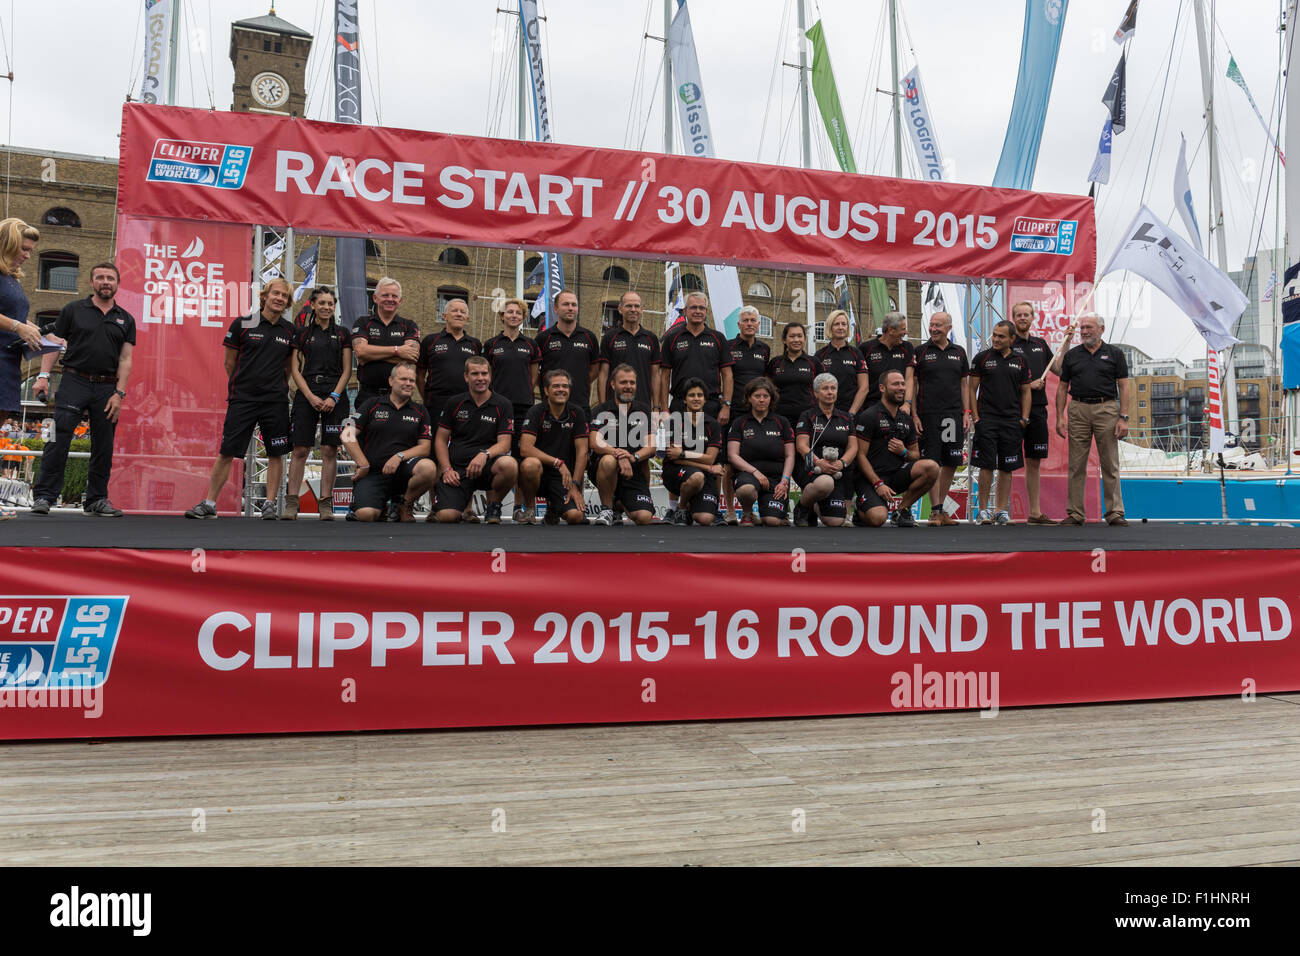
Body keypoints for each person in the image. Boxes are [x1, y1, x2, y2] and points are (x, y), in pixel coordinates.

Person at [185, 278, 298, 520]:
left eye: (284, 296)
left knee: (276, 453)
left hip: (275, 401)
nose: (279, 299)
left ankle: (268, 505)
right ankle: (209, 503)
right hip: (243, 399)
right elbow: (229, 363)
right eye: (275, 294)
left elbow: (289, 369)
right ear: (264, 296)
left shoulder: (290, 331)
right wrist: (246, 385)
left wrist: (275, 387)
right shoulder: (243, 323)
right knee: (227, 451)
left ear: (288, 302)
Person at [30, 262, 135, 517]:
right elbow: (53, 344)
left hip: (107, 387)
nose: (105, 282)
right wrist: (43, 376)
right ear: (92, 283)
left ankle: (97, 499)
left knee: (104, 445)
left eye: (110, 278)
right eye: (100, 277)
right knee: (57, 438)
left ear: (117, 284)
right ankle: (44, 496)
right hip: (73, 381)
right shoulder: (73, 310)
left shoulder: (126, 319)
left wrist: (119, 394)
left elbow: (125, 360)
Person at [1055, 313, 1130, 526]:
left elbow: (1124, 385)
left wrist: (1123, 417)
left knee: (1109, 463)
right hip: (1078, 409)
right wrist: (1060, 416)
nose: (1085, 331)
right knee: (1076, 464)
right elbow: (1061, 387)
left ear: (1101, 330)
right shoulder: (1072, 356)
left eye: (1089, 327)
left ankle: (1115, 512)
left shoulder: (1115, 353)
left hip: (1106, 408)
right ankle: (1075, 513)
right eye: (1082, 328)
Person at [285, 286, 351, 520]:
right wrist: (310, 396)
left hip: (335, 392)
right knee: (300, 448)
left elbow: (347, 370)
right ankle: (291, 503)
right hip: (308, 391)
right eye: (321, 303)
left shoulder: (343, 333)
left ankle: (325, 503)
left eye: (330, 303)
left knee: (329, 449)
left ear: (334, 307)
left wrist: (334, 396)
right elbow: (294, 369)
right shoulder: (301, 334)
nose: (326, 307)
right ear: (313, 305)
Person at [344, 362, 437, 522]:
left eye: (412, 380)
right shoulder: (372, 404)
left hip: (404, 474)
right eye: (403, 379)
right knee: (366, 515)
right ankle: (380, 507)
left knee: (428, 468)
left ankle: (403, 504)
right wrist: (363, 463)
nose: (408, 383)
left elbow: (425, 448)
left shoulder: (420, 411)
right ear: (391, 381)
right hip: (374, 473)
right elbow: (346, 434)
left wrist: (399, 456)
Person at [431, 356, 518, 524]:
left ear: (490, 376)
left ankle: (494, 505)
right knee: (447, 517)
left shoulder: (503, 404)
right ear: (466, 377)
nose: (480, 378)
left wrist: (484, 454)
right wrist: (447, 469)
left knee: (510, 465)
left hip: (487, 468)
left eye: (484, 373)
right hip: (458, 471)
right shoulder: (453, 403)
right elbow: (441, 440)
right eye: (475, 374)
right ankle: (450, 506)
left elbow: (505, 443)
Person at [1010, 300, 1073, 524]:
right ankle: (1000, 511)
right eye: (1019, 315)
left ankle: (1035, 512)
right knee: (1006, 462)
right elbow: (1000, 380)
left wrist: (1066, 343)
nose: (1023, 318)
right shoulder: (1007, 345)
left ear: (1033, 317)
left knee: (1034, 460)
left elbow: (1059, 369)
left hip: (1037, 409)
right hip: (1012, 411)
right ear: (1013, 318)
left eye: (1027, 314)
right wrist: (1027, 386)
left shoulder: (1040, 344)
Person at [854, 369, 939, 527]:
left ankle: (901, 510)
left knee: (932, 467)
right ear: (882, 388)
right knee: (878, 518)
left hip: (896, 476)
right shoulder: (869, 415)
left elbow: (915, 455)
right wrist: (878, 483)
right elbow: (860, 455)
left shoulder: (906, 419)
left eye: (902, 384)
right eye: (895, 384)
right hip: (870, 478)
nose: (901, 387)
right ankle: (859, 509)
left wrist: (904, 452)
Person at [909, 310, 970, 527]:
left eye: (938, 325)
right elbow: (913, 386)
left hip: (953, 415)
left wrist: (966, 412)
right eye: (932, 325)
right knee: (931, 463)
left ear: (949, 328)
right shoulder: (921, 351)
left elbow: (964, 385)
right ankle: (935, 511)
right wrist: (914, 414)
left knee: (952, 461)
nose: (933, 329)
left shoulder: (960, 352)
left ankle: (941, 508)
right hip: (928, 415)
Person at [484, 297, 540, 523]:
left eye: (518, 312)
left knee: (520, 458)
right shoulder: (491, 344)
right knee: (495, 458)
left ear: (523, 317)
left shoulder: (531, 345)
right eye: (510, 312)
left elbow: (534, 376)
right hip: (495, 408)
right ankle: (492, 507)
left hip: (523, 407)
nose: (514, 315)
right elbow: (485, 374)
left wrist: (525, 392)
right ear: (502, 316)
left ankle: (520, 507)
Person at [970, 320, 1031, 525]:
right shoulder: (982, 358)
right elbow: (971, 389)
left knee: (1007, 467)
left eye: (1001, 336)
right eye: (994, 335)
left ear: (1011, 339)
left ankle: (1000, 510)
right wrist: (975, 417)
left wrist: (1024, 418)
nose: (996, 339)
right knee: (986, 465)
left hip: (1012, 421)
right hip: (987, 420)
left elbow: (1026, 391)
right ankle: (983, 510)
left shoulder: (1021, 361)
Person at [519, 369, 589, 525]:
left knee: (575, 516)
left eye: (565, 386)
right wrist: (558, 462)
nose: (561, 390)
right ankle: (530, 510)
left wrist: (576, 486)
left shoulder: (577, 413)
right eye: (556, 386)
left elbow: (582, 452)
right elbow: (525, 448)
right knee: (530, 464)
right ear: (546, 390)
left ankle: (553, 510)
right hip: (539, 473)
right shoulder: (535, 411)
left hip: (563, 478)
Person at [721, 306, 771, 524]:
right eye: (746, 320)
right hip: (733, 411)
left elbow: (765, 381)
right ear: (738, 325)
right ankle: (730, 510)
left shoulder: (764, 349)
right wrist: (726, 405)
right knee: (730, 463)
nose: (750, 323)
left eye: (753, 320)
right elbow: (723, 377)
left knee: (754, 459)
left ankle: (750, 511)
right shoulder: (729, 347)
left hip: (757, 412)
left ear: (758, 324)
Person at [589, 363, 656, 526]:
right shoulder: (600, 410)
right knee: (608, 460)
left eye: (632, 383)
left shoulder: (644, 410)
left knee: (644, 517)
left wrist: (632, 457)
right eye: (623, 382)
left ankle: (618, 504)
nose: (628, 387)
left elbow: (651, 446)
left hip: (632, 471)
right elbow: (594, 442)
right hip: (605, 469)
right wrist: (618, 454)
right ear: (612, 384)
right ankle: (606, 508)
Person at [727, 377, 795, 527]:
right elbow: (732, 455)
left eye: (766, 396)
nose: (762, 400)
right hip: (748, 475)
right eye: (757, 396)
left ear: (771, 399)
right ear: (749, 398)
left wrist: (784, 481)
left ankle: (772, 513)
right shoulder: (740, 422)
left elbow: (790, 455)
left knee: (772, 522)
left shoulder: (781, 422)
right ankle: (747, 513)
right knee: (746, 490)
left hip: (775, 479)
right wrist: (755, 472)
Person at [793, 373, 858, 527]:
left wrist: (842, 463)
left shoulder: (846, 418)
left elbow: (853, 446)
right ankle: (802, 508)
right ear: (816, 393)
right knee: (825, 484)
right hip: (812, 469)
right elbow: (801, 445)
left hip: (838, 470)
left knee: (835, 522)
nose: (830, 392)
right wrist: (819, 462)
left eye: (833, 388)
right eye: (825, 389)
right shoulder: (807, 415)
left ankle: (815, 508)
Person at [657, 292, 734, 422]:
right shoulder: (672, 338)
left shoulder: (718, 338)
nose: (698, 311)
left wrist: (726, 406)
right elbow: (664, 376)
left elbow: (727, 375)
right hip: (680, 405)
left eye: (701, 308)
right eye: (693, 307)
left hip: (710, 406)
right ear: (685, 311)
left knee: (709, 443)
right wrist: (664, 409)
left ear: (706, 311)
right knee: (677, 443)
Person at [350, 277, 421, 409]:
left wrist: (371, 356)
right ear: (375, 298)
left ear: (400, 301)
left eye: (394, 296)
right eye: (385, 295)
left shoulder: (409, 325)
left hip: (400, 397)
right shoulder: (363, 322)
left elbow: (411, 357)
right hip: (368, 395)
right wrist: (398, 351)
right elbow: (360, 352)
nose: (390, 299)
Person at [663, 377, 723, 526]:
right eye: (691, 395)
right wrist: (707, 467)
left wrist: (683, 453)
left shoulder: (713, 424)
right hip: (675, 472)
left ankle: (691, 507)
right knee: (696, 477)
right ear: (684, 400)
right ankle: (681, 507)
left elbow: (710, 458)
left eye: (700, 395)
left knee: (705, 519)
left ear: (705, 400)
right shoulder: (674, 421)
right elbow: (674, 458)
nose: (696, 398)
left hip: (702, 473)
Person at [0, 219, 43, 424]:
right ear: (7, 244)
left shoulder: (11, 278)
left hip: (8, 360)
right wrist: (18, 327)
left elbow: (12, 314)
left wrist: (39, 331)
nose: (27, 255)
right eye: (23, 249)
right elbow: (15, 322)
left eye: (30, 251)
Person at [418, 296, 483, 428]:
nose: (459, 314)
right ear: (444, 316)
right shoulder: (430, 341)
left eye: (463, 312)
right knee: (435, 443)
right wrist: (428, 398)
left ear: (467, 319)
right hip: (436, 405)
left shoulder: (475, 344)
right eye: (454, 311)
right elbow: (419, 375)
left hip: (467, 403)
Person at [535, 289, 600, 416]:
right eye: (565, 304)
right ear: (555, 309)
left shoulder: (589, 337)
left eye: (574, 305)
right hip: (550, 406)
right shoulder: (543, 338)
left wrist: (580, 382)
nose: (570, 308)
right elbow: (533, 371)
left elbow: (595, 369)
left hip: (580, 404)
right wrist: (547, 385)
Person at [596, 291, 659, 407]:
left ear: (641, 309)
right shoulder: (609, 338)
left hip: (643, 406)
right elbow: (603, 375)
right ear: (620, 309)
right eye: (629, 306)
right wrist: (602, 407)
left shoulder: (651, 338)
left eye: (636, 306)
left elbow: (655, 376)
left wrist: (656, 407)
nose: (633, 309)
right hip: (614, 407)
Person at [814, 310, 870, 414]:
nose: (841, 327)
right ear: (830, 327)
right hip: (826, 413)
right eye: (836, 324)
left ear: (848, 327)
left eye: (844, 324)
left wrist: (852, 412)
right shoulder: (820, 355)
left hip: (852, 412)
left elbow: (864, 387)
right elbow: (814, 388)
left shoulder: (856, 353)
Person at [863, 312, 916, 420]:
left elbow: (909, 379)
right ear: (891, 330)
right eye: (903, 329)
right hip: (872, 408)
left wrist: (907, 404)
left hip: (900, 409)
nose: (906, 332)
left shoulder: (907, 347)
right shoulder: (865, 348)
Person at [765, 322, 816, 425]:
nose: (796, 340)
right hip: (780, 416)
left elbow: (821, 389)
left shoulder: (814, 362)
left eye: (800, 336)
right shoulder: (775, 363)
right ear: (784, 340)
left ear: (804, 339)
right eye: (792, 336)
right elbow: (767, 388)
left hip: (807, 416)